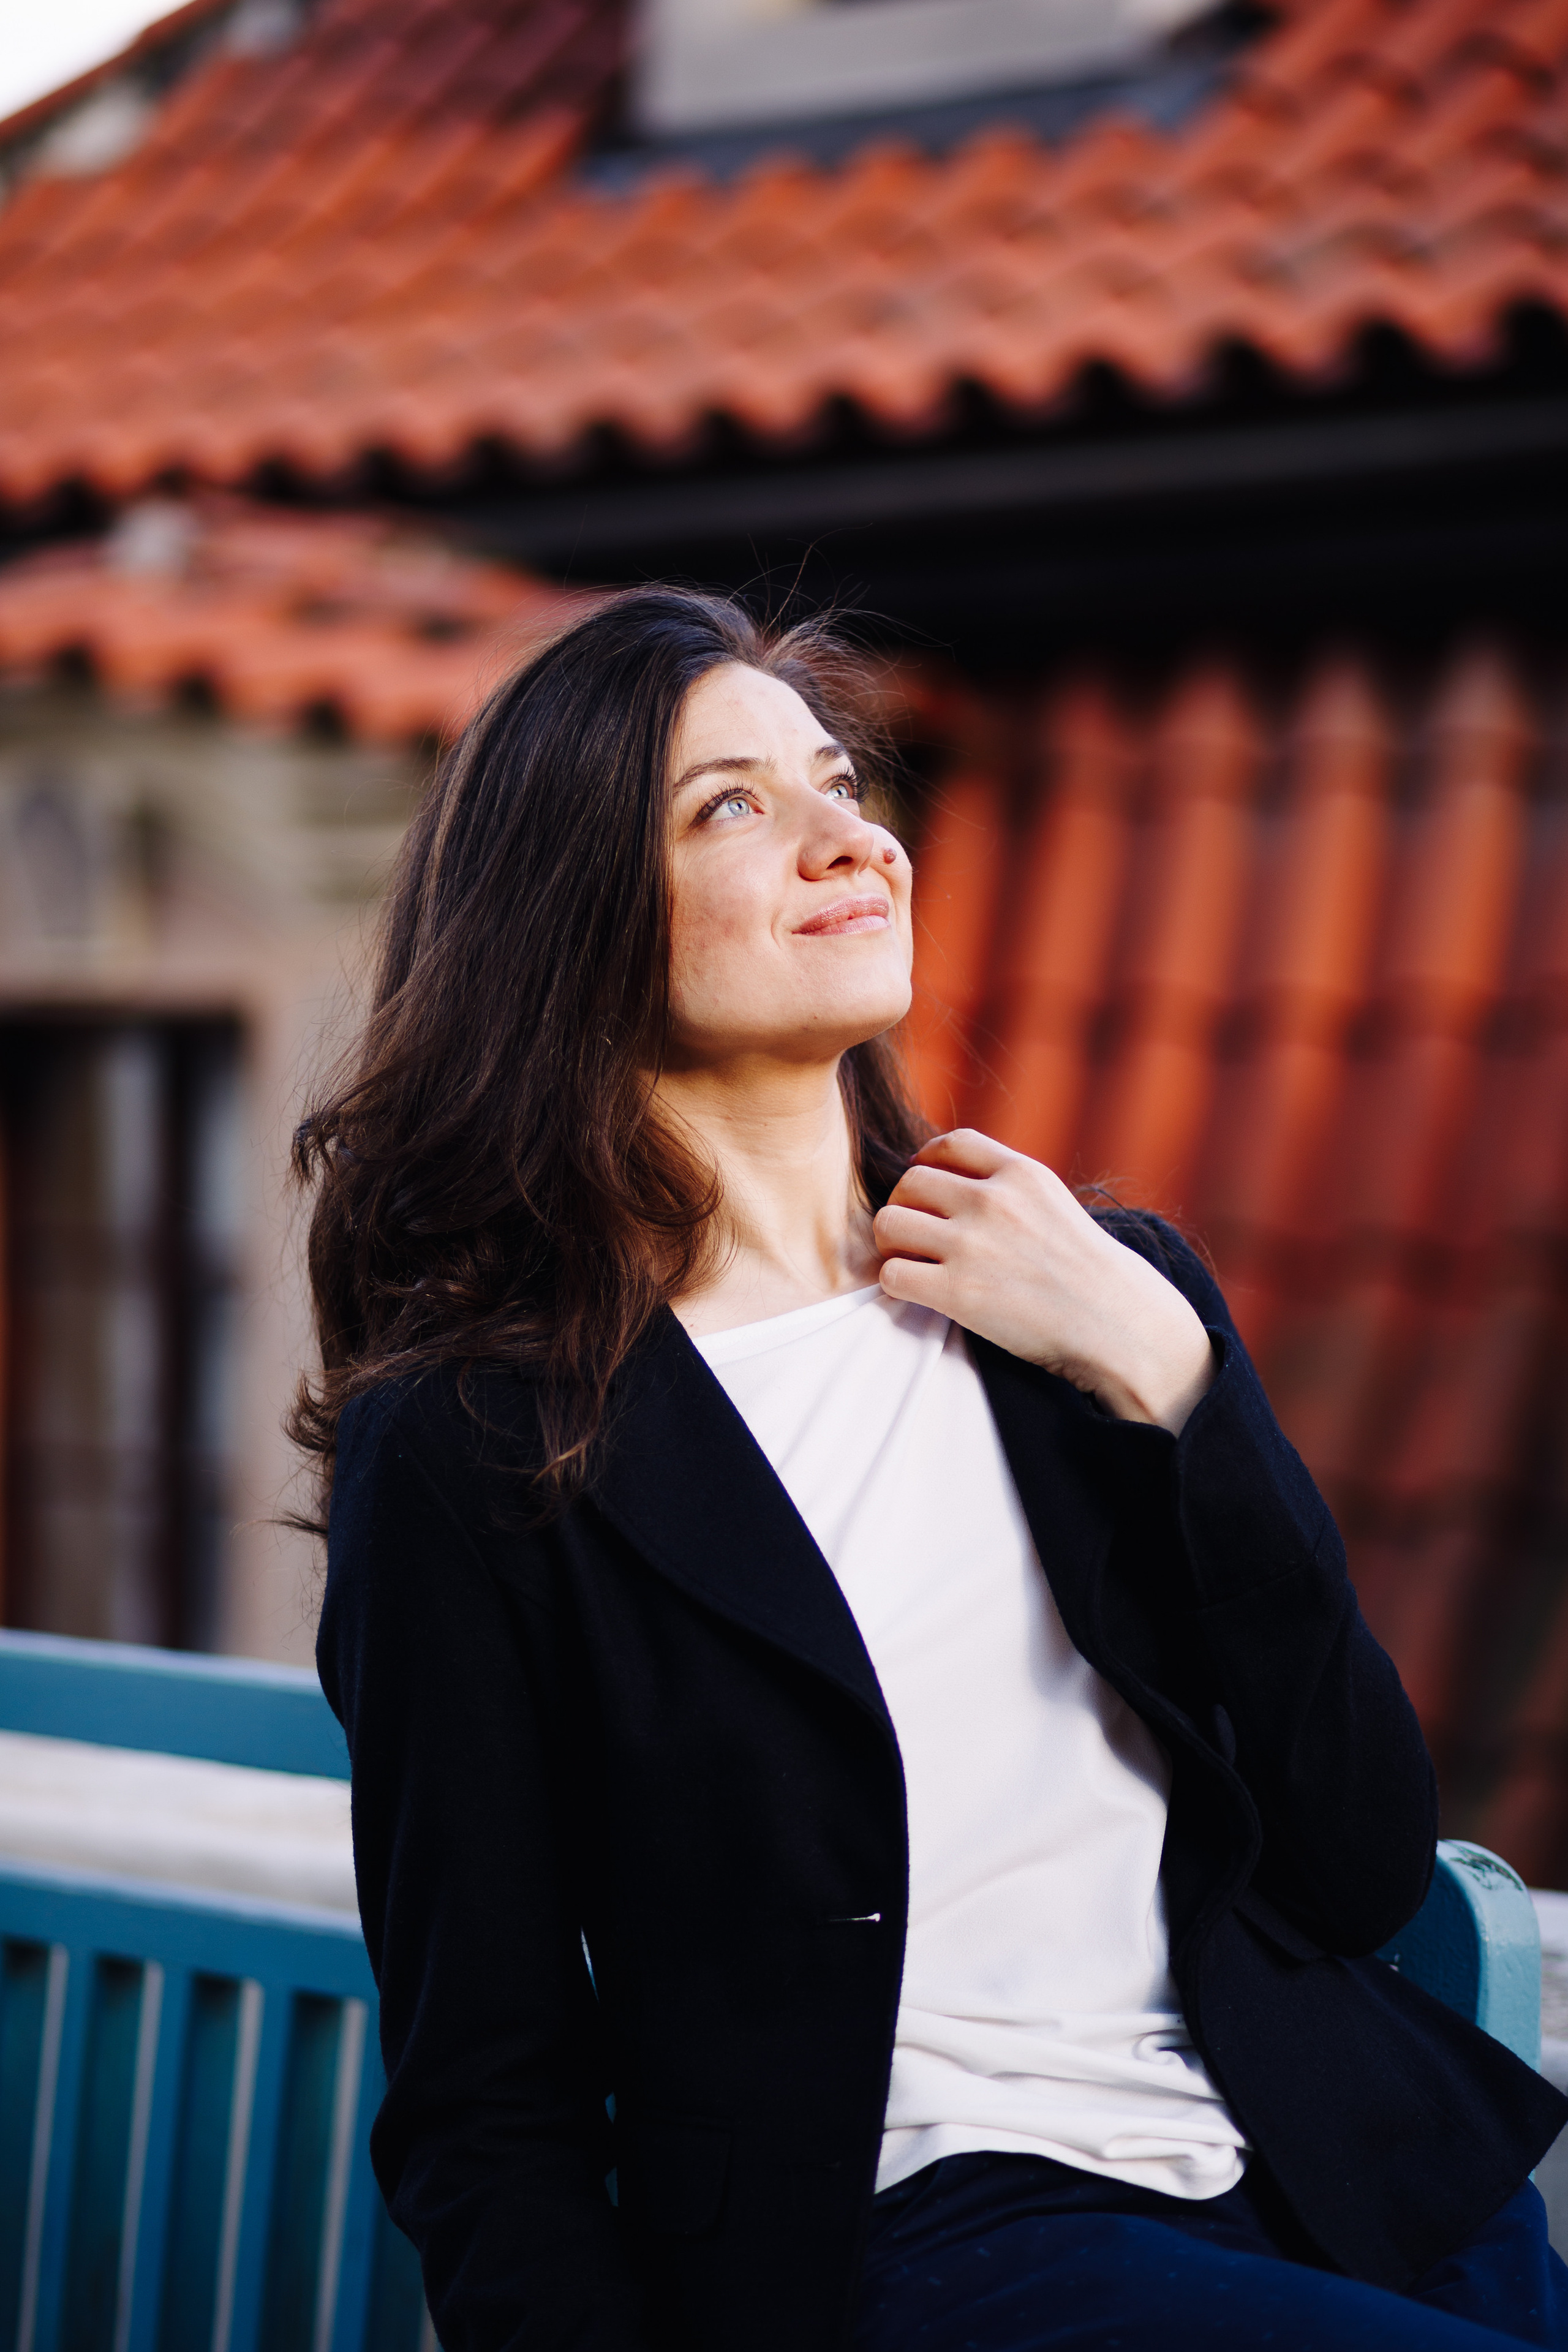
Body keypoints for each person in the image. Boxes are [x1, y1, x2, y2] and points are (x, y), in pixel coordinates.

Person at [300, 588, 1568, 2352]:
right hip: (932, 2236)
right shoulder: (478, 1442)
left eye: (840, 783)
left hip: (1341, 2170)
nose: (854, 840)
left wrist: (1180, 1386)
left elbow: (1359, 1863)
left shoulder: (1092, 1296)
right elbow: (483, 2097)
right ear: (571, 923)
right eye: (731, 807)